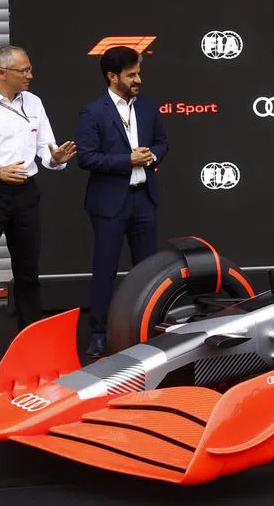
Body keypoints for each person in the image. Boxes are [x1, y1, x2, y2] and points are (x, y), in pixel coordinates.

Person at [0, 45, 76, 378]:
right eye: (24, 70)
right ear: (1, 73)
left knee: (28, 275)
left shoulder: (33, 103)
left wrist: (56, 159)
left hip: (26, 194)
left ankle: (30, 345)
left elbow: (46, 152)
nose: (30, 75)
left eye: (30, 69)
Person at [75, 46, 169, 356]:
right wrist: (127, 159)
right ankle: (99, 334)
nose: (138, 79)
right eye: (131, 75)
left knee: (148, 271)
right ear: (112, 77)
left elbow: (162, 143)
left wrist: (152, 155)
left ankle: (148, 328)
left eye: (138, 73)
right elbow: (87, 158)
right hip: (109, 204)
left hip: (144, 199)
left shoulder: (148, 106)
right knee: (104, 270)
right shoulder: (93, 112)